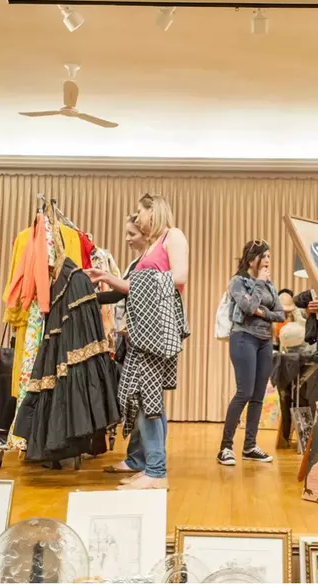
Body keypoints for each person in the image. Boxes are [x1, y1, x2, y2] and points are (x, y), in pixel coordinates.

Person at [87, 194, 189, 490]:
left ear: (153, 211)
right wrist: (105, 276)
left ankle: (157, 471)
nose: (138, 217)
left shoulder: (174, 236)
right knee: (145, 398)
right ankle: (149, 467)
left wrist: (123, 281)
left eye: (140, 212)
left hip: (157, 331)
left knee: (147, 400)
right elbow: (131, 287)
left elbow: (180, 276)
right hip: (141, 331)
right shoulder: (150, 249)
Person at [99, 215, 157, 476]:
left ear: (146, 232)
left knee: (141, 401)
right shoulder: (138, 262)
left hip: (141, 339)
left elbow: (130, 292)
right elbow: (122, 291)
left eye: (131, 233)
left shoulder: (149, 263)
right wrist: (93, 295)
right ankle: (139, 459)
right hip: (132, 337)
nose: (127, 239)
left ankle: (144, 461)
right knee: (137, 401)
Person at [217, 240, 285, 466]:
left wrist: (260, 311)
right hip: (243, 338)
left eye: (268, 256)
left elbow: (280, 314)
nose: (267, 260)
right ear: (250, 260)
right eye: (263, 256)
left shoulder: (270, 284)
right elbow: (246, 308)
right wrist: (257, 285)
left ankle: (249, 446)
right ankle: (225, 448)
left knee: (258, 396)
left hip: (265, 342)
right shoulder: (238, 282)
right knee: (243, 393)